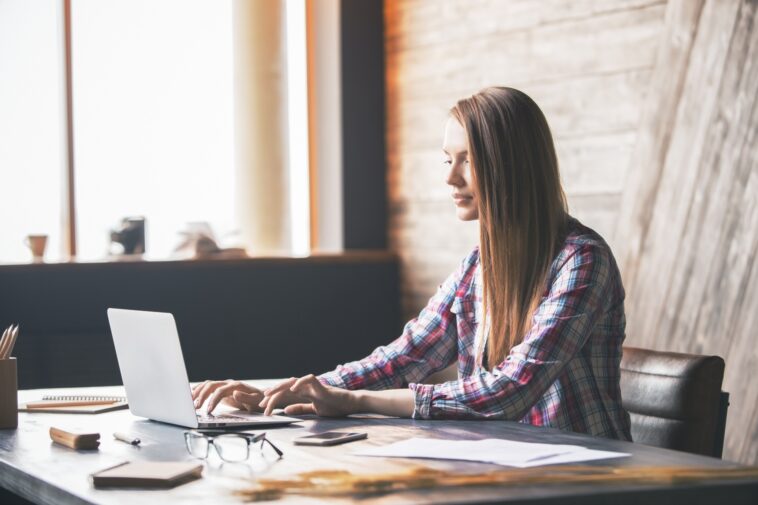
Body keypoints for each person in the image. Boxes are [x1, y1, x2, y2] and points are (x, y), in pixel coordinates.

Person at [192, 87, 632, 441]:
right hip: (502, 469)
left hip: (590, 477)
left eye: (468, 160)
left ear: (511, 166)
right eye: (447, 159)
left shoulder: (581, 260)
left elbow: (509, 392)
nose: (449, 177)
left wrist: (355, 403)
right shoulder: (478, 267)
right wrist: (282, 393)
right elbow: (404, 358)